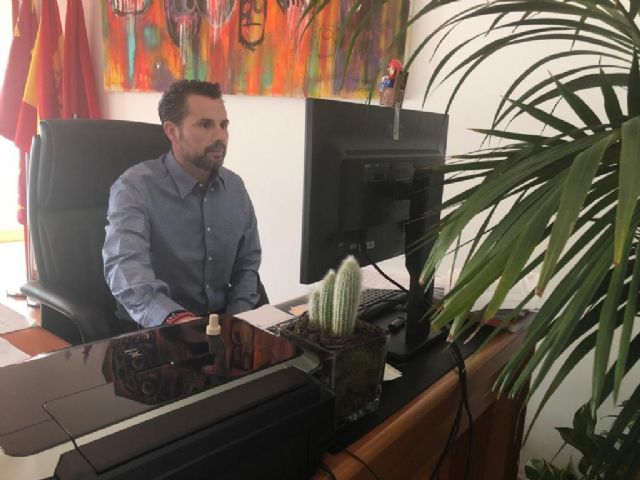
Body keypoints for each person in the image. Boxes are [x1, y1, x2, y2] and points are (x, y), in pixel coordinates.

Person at [103, 80, 261, 328]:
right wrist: (177, 320)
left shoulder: (234, 187)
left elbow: (247, 264)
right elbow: (126, 268)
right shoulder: (134, 188)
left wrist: (238, 322)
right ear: (172, 131)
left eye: (223, 125)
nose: (220, 136)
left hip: (221, 326)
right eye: (205, 125)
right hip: (156, 327)